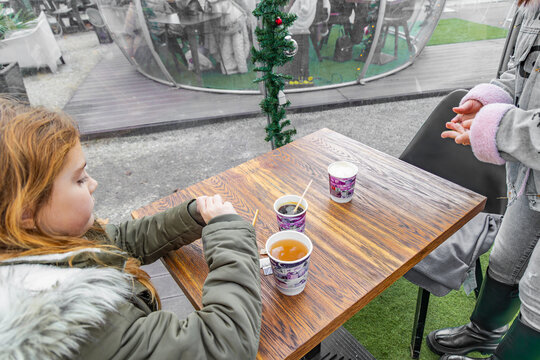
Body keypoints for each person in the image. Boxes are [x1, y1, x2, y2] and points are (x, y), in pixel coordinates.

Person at [0, 99, 262, 359]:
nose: (94, 183)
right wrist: (230, 233)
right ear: (26, 212)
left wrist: (193, 216)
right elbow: (224, 343)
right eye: (79, 179)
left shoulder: (42, 242)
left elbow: (119, 241)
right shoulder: (72, 323)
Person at [426, 1, 540, 359]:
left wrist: (498, 127)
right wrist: (486, 100)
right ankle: (484, 333)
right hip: (532, 175)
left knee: (538, 296)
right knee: (507, 257)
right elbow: (521, 72)